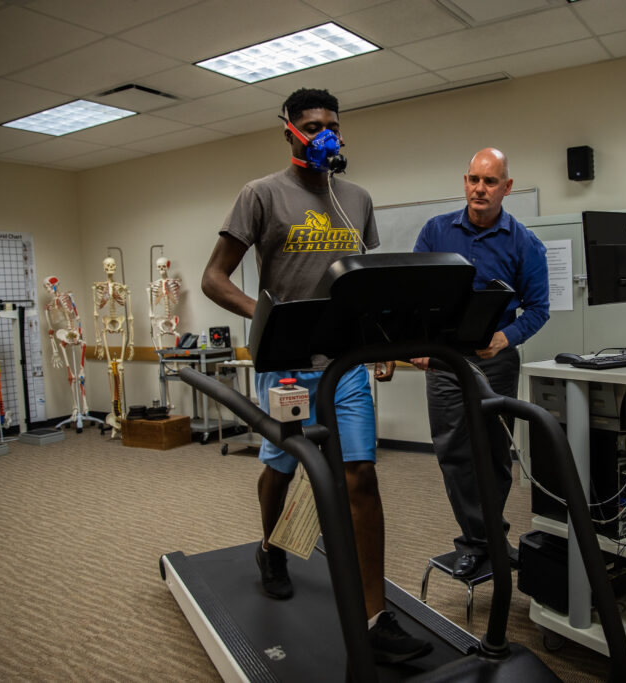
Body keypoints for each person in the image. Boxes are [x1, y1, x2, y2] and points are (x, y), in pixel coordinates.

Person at [200, 88, 431, 664]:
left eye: (331, 123)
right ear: (289, 131)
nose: (324, 132)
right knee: (284, 467)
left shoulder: (356, 198)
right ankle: (270, 547)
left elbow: (363, 279)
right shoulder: (261, 195)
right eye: (311, 124)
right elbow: (214, 278)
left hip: (345, 363)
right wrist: (270, 317)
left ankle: (376, 617)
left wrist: (377, 339)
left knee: (360, 477)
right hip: (287, 364)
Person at [411, 148, 549, 579]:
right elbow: (413, 294)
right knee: (454, 453)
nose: (479, 189)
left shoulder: (524, 242)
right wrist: (417, 341)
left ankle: (487, 534)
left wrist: (506, 337)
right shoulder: (435, 231)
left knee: (492, 455)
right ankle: (480, 540)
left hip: (496, 363)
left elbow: (539, 309)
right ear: (465, 181)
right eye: (473, 179)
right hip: (445, 363)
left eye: (490, 182)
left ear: (506, 188)